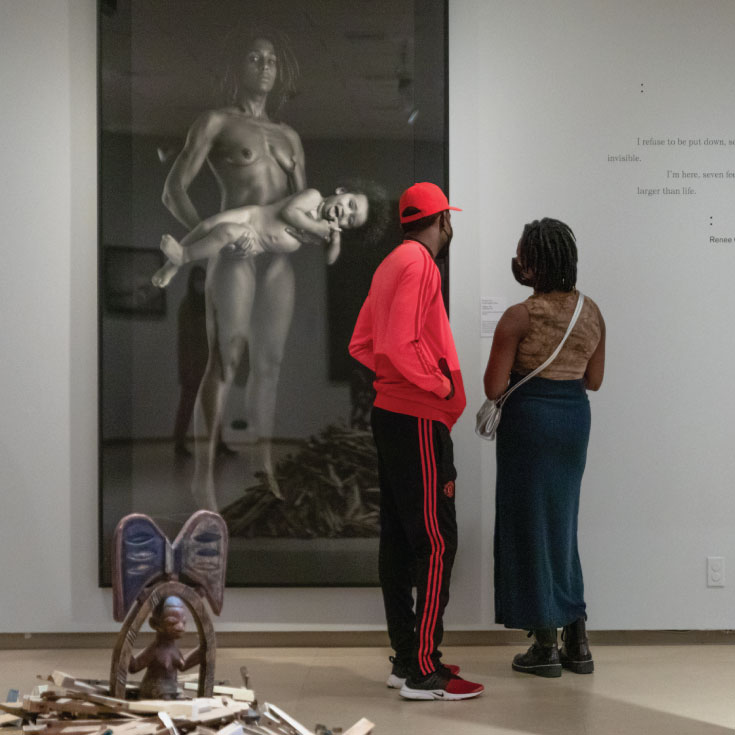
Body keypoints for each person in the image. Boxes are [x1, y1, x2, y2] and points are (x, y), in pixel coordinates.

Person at [349, 182, 484, 701]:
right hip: (419, 419)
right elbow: (401, 343)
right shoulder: (420, 264)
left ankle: (407, 657)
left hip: (392, 415)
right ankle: (423, 671)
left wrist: (401, 380)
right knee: (435, 541)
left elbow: (362, 342)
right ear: (441, 220)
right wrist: (438, 384)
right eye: (450, 218)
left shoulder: (388, 264)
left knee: (401, 540)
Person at [161, 29, 304, 507]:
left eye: (270, 59)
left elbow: (305, 203)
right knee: (226, 359)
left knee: (271, 363)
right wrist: (214, 236)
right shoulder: (217, 122)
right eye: (254, 57)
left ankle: (264, 470)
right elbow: (172, 190)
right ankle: (203, 476)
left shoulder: (288, 137)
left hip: (278, 261)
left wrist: (315, 230)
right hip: (235, 258)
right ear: (239, 68)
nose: (265, 65)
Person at [483, 217, 606, 678]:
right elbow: (594, 380)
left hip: (530, 425)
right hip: (573, 421)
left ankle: (545, 647)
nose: (517, 262)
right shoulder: (591, 312)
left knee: (528, 525)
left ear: (533, 264)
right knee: (561, 523)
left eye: (522, 255)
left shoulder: (520, 316)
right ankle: (578, 639)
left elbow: (495, 385)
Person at [151, 184, 382, 289]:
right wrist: (318, 228)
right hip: (253, 217)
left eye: (351, 220)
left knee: (226, 232)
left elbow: (330, 259)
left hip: (254, 243)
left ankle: (185, 255)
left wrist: (335, 239)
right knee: (208, 225)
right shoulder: (313, 198)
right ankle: (174, 264)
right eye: (351, 204)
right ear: (341, 192)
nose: (346, 212)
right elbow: (288, 213)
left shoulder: (325, 230)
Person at [128, 596, 201, 699]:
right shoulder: (154, 650)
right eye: (171, 623)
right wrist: (125, 652)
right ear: (154, 624)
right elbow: (134, 667)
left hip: (171, 688)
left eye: (183, 622)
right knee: (167, 698)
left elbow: (183, 665)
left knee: (183, 699)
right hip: (153, 688)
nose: (180, 627)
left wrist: (200, 652)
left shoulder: (174, 649)